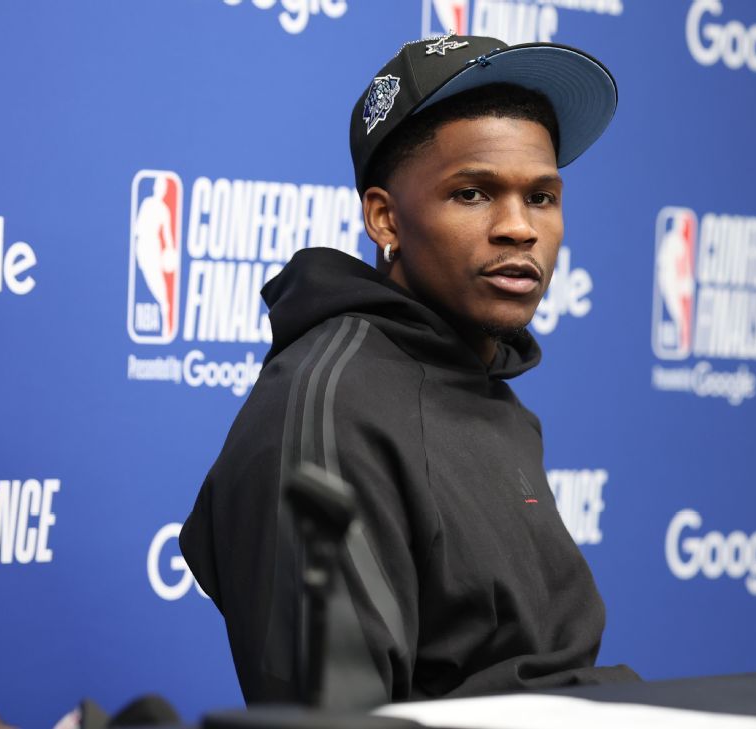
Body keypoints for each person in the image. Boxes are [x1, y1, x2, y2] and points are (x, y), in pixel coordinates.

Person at [179, 34, 637, 704]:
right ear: (385, 219)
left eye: (541, 197)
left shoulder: (484, 386)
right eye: (473, 193)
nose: (520, 228)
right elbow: (330, 716)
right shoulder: (330, 408)